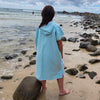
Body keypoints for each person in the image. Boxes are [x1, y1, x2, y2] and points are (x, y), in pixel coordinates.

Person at [35, 5, 69, 96]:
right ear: (52, 15)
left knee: (42, 69)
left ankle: (44, 86)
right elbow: (59, 42)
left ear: (43, 15)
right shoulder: (55, 26)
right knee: (59, 69)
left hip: (42, 54)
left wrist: (39, 52)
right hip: (53, 54)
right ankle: (61, 90)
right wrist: (61, 54)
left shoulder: (40, 27)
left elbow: (37, 41)